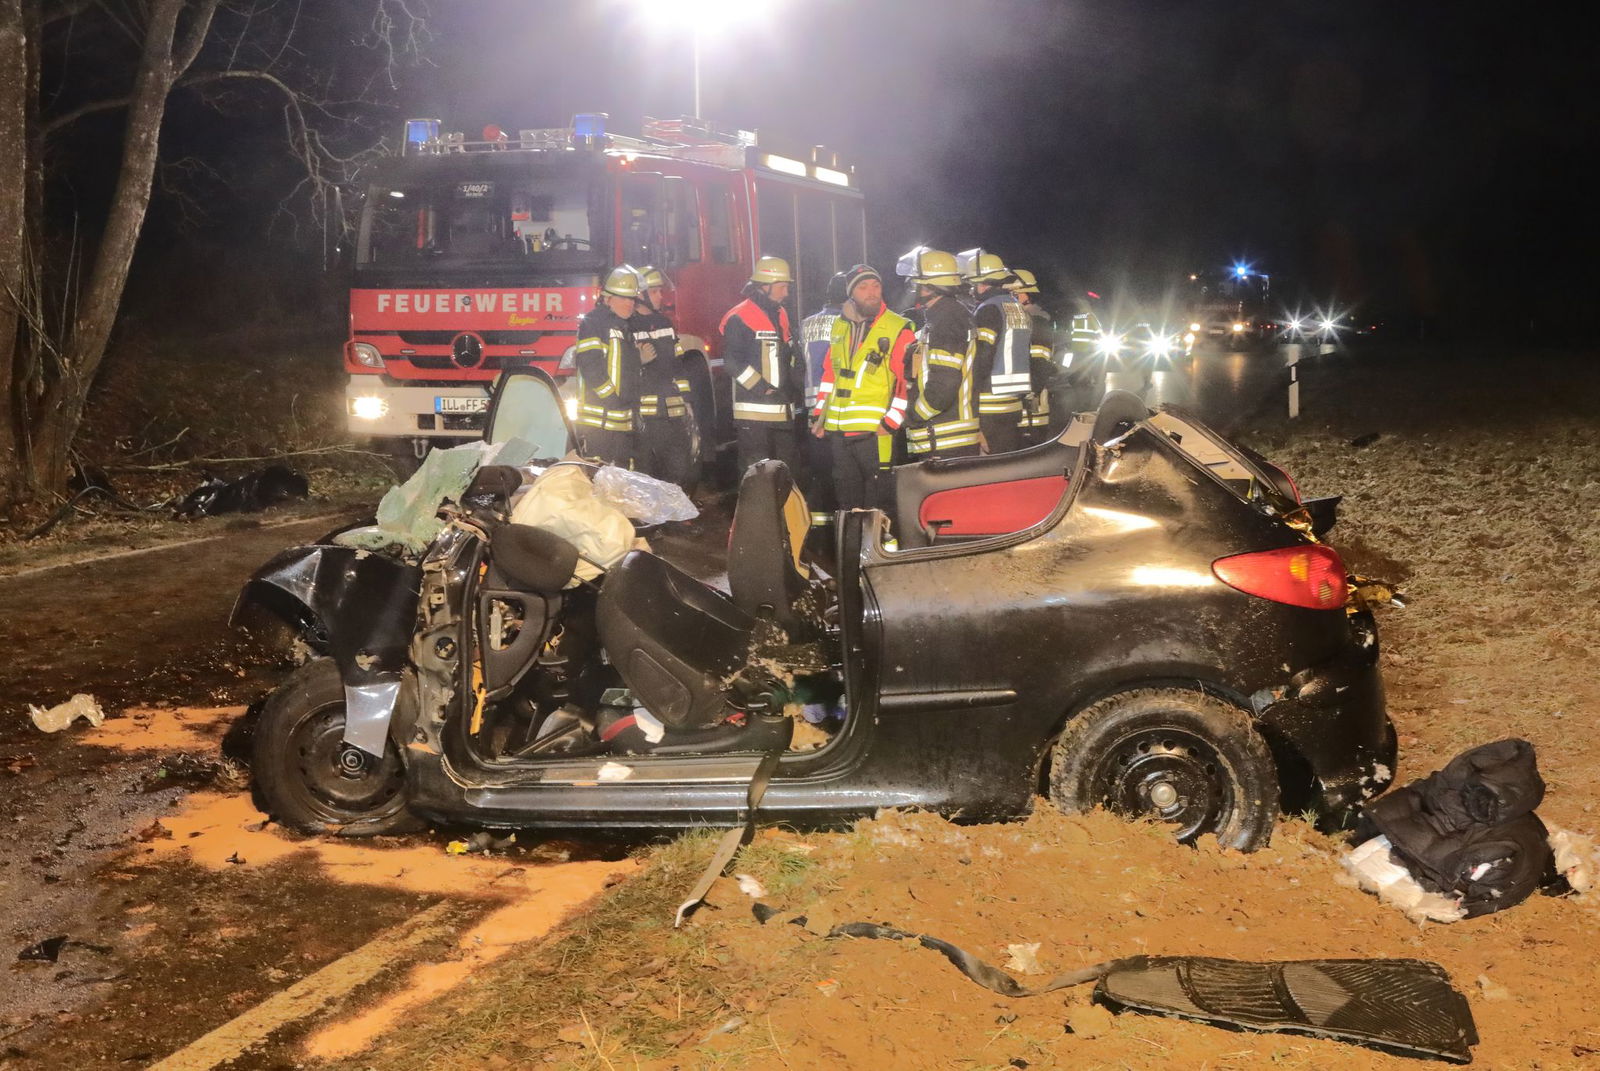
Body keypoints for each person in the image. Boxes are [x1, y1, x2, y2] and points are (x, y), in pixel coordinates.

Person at [810, 265, 913, 514]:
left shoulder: (899, 327)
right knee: (847, 503)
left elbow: (907, 383)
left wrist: (890, 423)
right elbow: (830, 376)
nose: (871, 292)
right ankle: (850, 552)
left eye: (876, 286)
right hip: (840, 433)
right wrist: (819, 417)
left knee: (878, 505)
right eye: (863, 287)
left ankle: (877, 553)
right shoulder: (840, 326)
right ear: (851, 293)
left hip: (875, 433)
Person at [720, 256, 801, 477]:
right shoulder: (740, 316)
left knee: (785, 474)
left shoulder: (780, 313)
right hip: (754, 415)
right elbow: (732, 362)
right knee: (756, 477)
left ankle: (782, 513)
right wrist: (761, 387)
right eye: (782, 287)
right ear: (765, 286)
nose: (786, 293)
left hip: (782, 411)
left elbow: (787, 355)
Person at [901, 249, 980, 460]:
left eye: (917, 283)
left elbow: (944, 385)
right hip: (945, 435)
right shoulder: (945, 314)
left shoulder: (946, 318)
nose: (914, 289)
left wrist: (913, 416)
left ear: (929, 287)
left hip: (945, 438)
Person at [961, 249, 1032, 455]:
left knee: (988, 465)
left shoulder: (988, 309)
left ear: (982, 284)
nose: (972, 290)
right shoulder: (1017, 308)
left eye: (973, 284)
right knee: (1007, 460)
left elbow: (982, 355)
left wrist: (970, 392)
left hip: (989, 402)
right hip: (1013, 401)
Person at [572, 265, 643, 466]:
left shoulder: (625, 326)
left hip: (621, 419)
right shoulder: (594, 323)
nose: (629, 304)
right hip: (600, 421)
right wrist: (612, 399)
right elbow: (590, 366)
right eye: (623, 298)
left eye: (632, 299)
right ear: (607, 298)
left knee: (620, 480)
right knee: (601, 477)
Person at [631, 265, 694, 488]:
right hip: (645, 417)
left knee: (679, 470)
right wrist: (637, 360)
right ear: (640, 294)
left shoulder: (666, 324)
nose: (661, 296)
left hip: (673, 413)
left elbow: (678, 366)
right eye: (655, 291)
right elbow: (620, 370)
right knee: (646, 472)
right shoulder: (627, 326)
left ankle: (674, 520)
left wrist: (687, 401)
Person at [799, 270, 850, 534]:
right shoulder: (849, 324)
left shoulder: (807, 324)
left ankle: (817, 531)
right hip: (840, 408)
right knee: (842, 472)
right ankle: (840, 530)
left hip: (812, 407)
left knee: (819, 473)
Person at [1007, 268, 1058, 445]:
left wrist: (1025, 394)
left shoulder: (1037, 323)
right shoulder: (1021, 321)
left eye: (1012, 293)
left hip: (1031, 415)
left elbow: (1040, 367)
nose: (1009, 297)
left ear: (1024, 294)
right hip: (1017, 413)